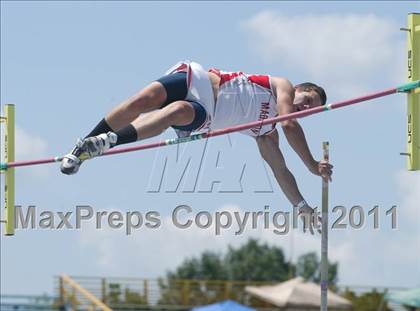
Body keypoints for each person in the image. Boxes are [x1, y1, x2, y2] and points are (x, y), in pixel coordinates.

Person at [60, 60, 333, 233]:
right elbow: (290, 124)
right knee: (141, 101)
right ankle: (83, 147)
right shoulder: (281, 86)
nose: (305, 108)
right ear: (298, 89)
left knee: (176, 111)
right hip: (199, 79)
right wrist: (311, 164)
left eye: (311, 110)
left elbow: (281, 171)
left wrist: (301, 206)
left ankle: (109, 141)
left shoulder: (267, 133)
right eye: (307, 99)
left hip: (204, 114)